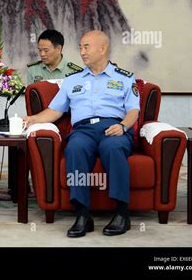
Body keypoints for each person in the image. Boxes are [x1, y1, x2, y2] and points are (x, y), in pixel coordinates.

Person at [24, 30, 140, 237]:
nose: (82, 52)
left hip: (113, 127)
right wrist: (33, 119)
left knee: (113, 147)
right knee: (75, 148)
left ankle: (122, 213)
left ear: (102, 48)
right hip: (83, 130)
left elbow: (133, 110)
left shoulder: (125, 78)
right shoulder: (72, 80)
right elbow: (55, 110)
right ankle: (83, 214)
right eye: (80, 47)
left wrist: (123, 126)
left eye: (86, 47)